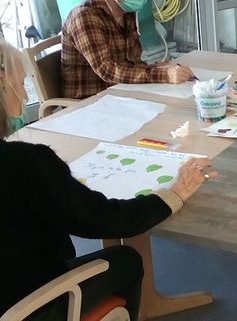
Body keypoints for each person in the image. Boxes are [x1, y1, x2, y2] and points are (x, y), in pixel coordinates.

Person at [0, 39, 217, 319]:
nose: (23, 93)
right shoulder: (25, 164)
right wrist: (174, 194)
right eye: (20, 84)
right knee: (125, 260)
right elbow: (104, 220)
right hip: (26, 304)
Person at [61, 0, 193, 99]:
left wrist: (157, 68)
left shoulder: (126, 10)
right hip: (90, 104)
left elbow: (130, 63)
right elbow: (107, 70)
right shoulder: (85, 16)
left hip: (122, 94)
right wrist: (163, 75)